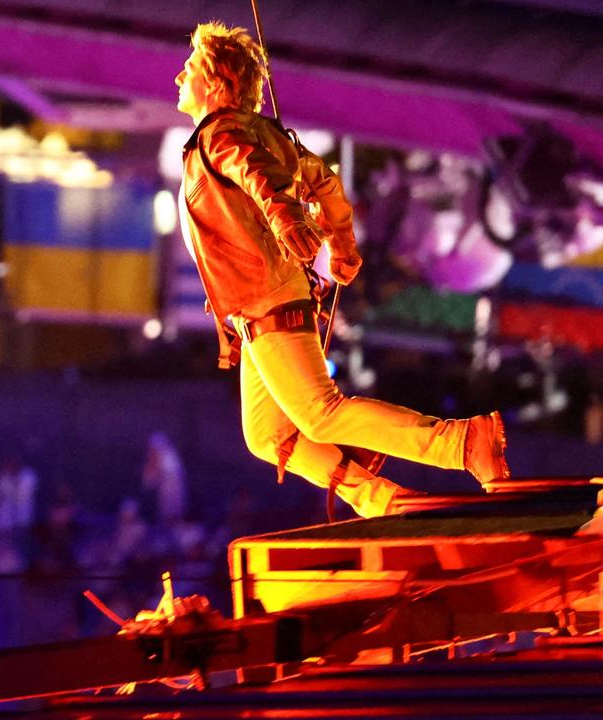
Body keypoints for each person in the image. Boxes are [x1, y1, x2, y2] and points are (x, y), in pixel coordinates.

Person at [173, 22, 508, 517]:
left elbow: (257, 176)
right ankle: (384, 500)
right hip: (260, 306)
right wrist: (342, 244)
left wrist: (289, 221)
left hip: (269, 300)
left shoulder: (220, 135)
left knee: (320, 414)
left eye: (191, 68)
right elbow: (323, 182)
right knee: (267, 436)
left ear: (217, 83)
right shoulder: (263, 132)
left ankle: (461, 442)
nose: (180, 75)